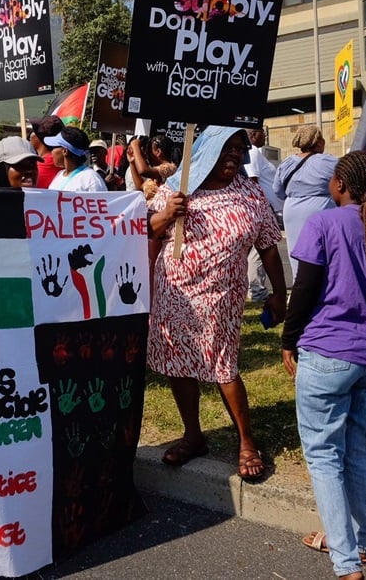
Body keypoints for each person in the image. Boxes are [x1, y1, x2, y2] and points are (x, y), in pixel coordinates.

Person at [280, 151, 366, 580]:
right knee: (357, 451)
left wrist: (288, 340)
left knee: (323, 457)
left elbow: (304, 289)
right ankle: (356, 545)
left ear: (339, 184)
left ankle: (345, 565)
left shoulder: (322, 223)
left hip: (326, 355)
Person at [147, 127, 286, 481]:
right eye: (228, 147)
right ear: (207, 149)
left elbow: (269, 246)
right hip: (174, 292)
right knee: (178, 364)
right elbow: (145, 230)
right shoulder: (177, 188)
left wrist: (278, 292)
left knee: (223, 366)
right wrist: (167, 214)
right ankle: (193, 435)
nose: (235, 154)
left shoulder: (250, 194)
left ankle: (246, 441)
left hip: (222, 296)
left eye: (240, 149)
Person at [274, 125, 338, 280]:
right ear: (319, 142)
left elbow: (278, 190)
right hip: (320, 210)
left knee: (297, 253)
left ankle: (300, 287)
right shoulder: (328, 162)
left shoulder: (287, 163)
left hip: (292, 211)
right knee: (323, 254)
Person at [243, 127, 284, 304]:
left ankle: (255, 289)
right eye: (262, 133)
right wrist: (261, 208)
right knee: (259, 251)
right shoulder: (251, 152)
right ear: (253, 135)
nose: (265, 136)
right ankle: (257, 291)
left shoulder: (255, 152)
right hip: (263, 208)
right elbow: (253, 181)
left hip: (265, 207)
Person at [45, 126, 108, 192]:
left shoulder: (91, 179)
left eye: (53, 147)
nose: (51, 152)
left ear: (65, 151)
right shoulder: (59, 174)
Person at [126, 134, 177, 200]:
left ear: (158, 152)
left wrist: (135, 146)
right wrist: (132, 162)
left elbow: (143, 171)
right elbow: (140, 186)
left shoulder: (170, 168)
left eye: (149, 151)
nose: (147, 155)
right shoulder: (155, 171)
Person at [28, 115, 65, 189]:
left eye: (34, 130)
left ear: (41, 137)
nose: (29, 135)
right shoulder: (57, 159)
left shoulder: (48, 162)